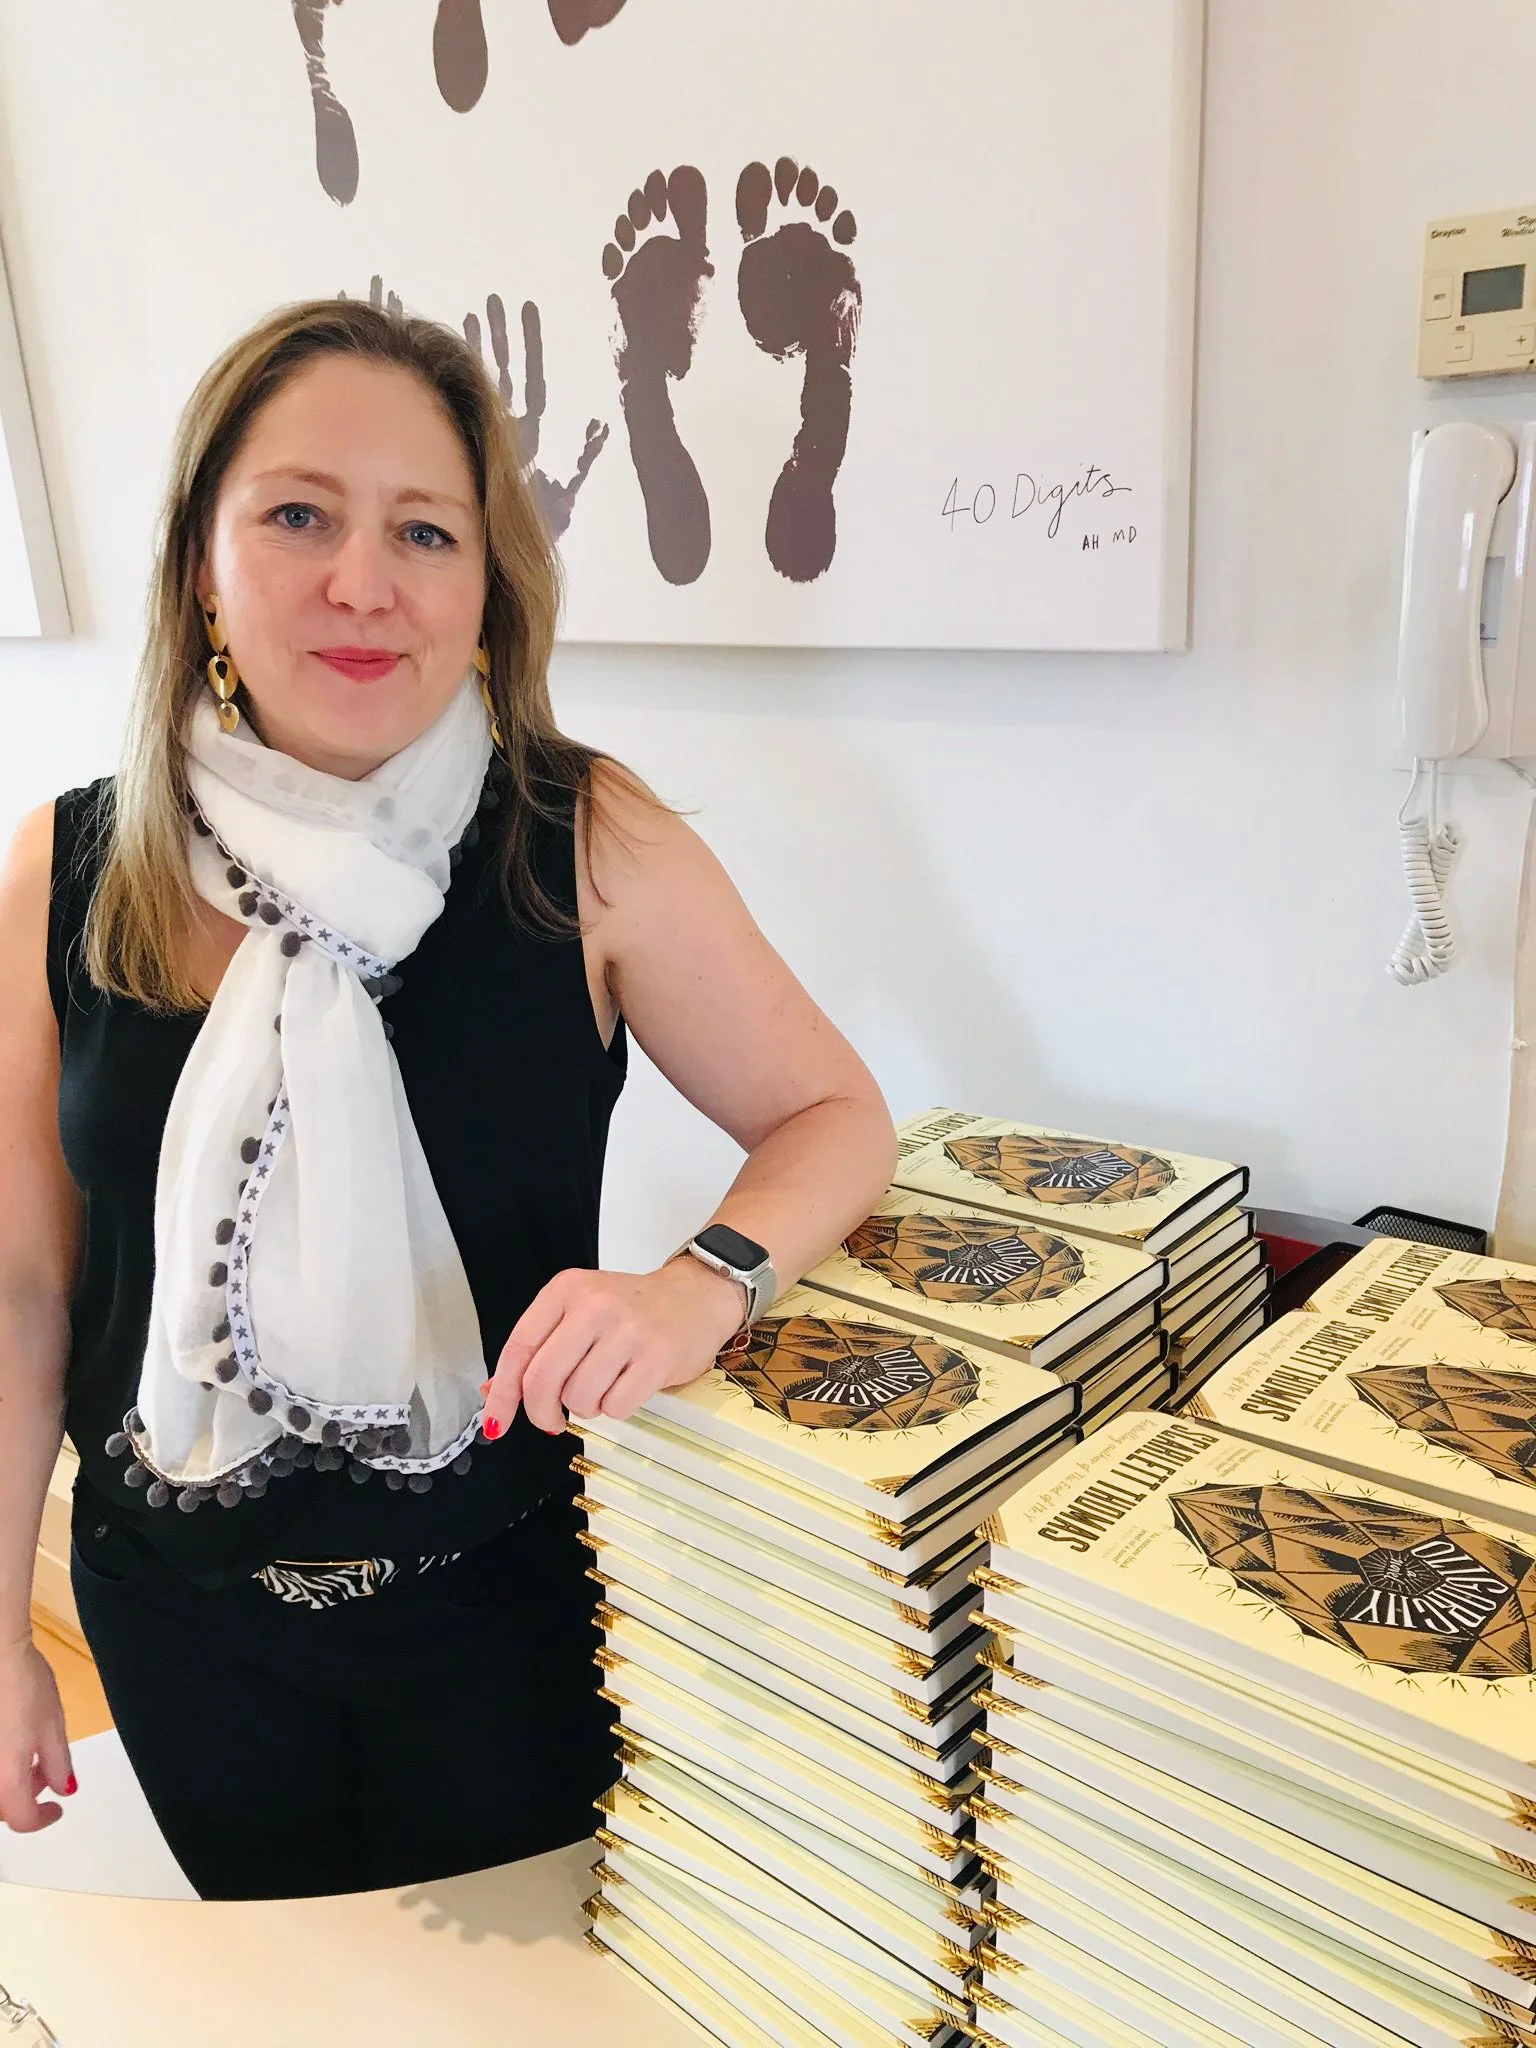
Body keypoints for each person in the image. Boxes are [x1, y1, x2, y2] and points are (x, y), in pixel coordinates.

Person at [0, 298, 896, 1900]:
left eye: (426, 529)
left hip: (512, 1614)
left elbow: (834, 1113)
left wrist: (705, 1284)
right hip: (178, 1620)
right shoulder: (65, 868)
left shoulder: (585, 839)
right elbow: (22, 1285)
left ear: (486, 587)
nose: (363, 583)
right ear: (202, 563)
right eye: (296, 516)